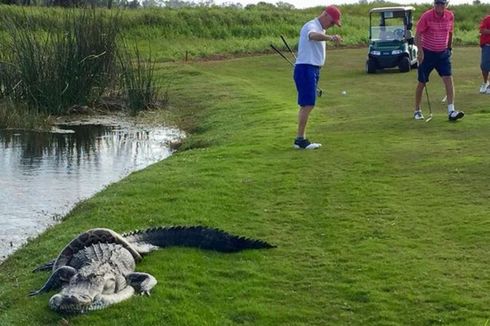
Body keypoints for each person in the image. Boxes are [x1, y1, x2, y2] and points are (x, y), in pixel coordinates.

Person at [293, 5, 342, 150]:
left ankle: (300, 139)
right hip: (306, 68)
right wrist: (330, 38)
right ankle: (300, 139)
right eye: (332, 22)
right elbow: (312, 36)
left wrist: (327, 35)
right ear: (325, 15)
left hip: (312, 68)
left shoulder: (321, 29)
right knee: (308, 104)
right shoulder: (312, 26)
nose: (332, 26)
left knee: (307, 104)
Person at [413, 0, 464, 122]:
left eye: (442, 3)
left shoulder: (450, 15)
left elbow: (450, 32)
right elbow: (417, 34)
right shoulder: (427, 16)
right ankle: (417, 110)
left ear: (446, 5)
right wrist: (420, 51)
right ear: (434, 4)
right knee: (422, 82)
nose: (439, 6)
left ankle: (451, 111)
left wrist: (449, 48)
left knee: (448, 79)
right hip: (427, 53)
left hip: (443, 53)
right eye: (437, 3)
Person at [479, 13, 490, 94]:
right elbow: (482, 30)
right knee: (484, 65)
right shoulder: (487, 19)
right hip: (487, 45)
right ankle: (485, 82)